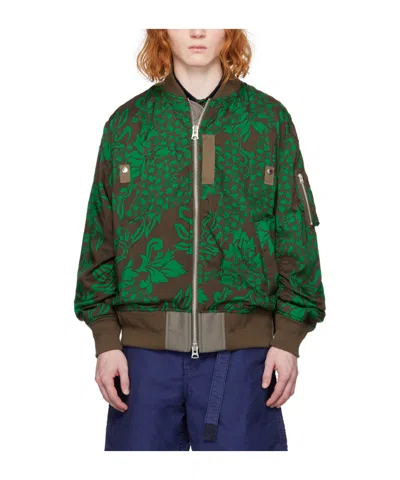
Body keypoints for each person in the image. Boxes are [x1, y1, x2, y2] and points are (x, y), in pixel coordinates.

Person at [73, 29, 326, 451]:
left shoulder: (268, 120)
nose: (196, 29)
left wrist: (288, 338)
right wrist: (104, 340)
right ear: (161, 30)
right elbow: (99, 236)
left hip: (245, 360)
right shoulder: (127, 124)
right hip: (142, 362)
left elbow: (295, 233)